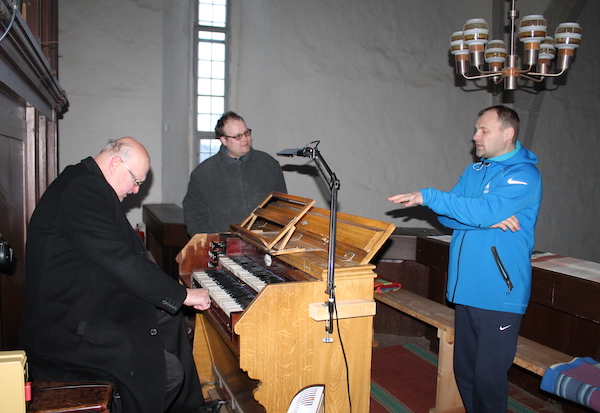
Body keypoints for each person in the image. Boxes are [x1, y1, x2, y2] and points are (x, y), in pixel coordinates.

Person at [21, 137, 223, 413]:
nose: (136, 189)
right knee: (168, 373)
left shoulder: (90, 184)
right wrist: (182, 294)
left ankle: (190, 408)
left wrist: (172, 296)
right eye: (136, 181)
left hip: (89, 298)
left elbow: (127, 256)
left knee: (170, 318)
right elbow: (120, 261)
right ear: (116, 163)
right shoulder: (81, 190)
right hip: (67, 325)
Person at [388, 106, 543, 413]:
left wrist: (436, 198)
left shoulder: (523, 174)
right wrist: (485, 218)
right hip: (466, 290)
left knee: (488, 381)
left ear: (508, 133)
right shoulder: (474, 171)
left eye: (484, 130)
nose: (475, 136)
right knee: (466, 375)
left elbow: (477, 210)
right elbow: (448, 217)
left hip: (499, 293)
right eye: (476, 129)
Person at [183, 111, 287, 236]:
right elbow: (194, 216)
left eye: (246, 133)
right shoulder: (203, 173)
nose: (245, 139)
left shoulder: (269, 164)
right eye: (238, 136)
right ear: (224, 140)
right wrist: (212, 241)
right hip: (223, 242)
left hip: (265, 240)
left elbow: (282, 206)